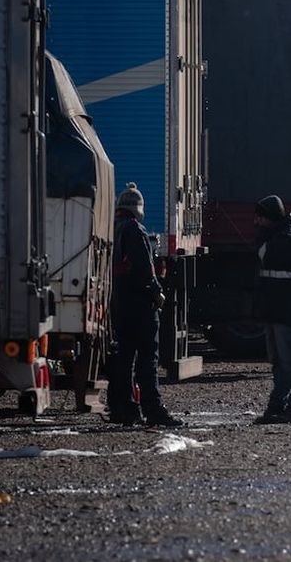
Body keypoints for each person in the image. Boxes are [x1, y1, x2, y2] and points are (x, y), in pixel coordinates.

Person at [108, 182, 183, 427]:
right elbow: (143, 269)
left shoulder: (112, 229)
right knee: (147, 359)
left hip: (118, 304)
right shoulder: (134, 230)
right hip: (140, 306)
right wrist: (156, 293)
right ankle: (153, 410)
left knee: (123, 359)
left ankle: (123, 409)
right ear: (139, 208)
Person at [252, 195, 291, 424]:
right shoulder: (288, 232)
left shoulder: (286, 237)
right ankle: (279, 405)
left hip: (285, 308)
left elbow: (263, 253)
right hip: (279, 306)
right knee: (281, 360)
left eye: (260, 217)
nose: (257, 222)